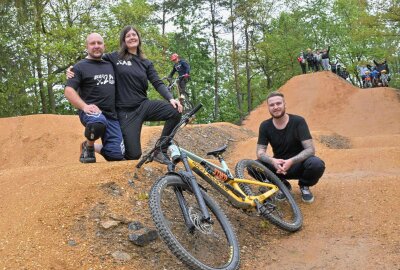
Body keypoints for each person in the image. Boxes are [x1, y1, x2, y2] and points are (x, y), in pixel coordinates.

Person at [68, 26, 183, 164]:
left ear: (139, 39)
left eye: (134, 34)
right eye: (128, 36)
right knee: (133, 155)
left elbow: (157, 82)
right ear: (123, 40)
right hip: (125, 113)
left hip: (143, 105)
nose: (132, 37)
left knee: (175, 111)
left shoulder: (146, 63)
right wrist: (72, 69)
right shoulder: (114, 57)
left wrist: (170, 98)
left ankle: (161, 149)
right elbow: (92, 59)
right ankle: (92, 146)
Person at [64, 33, 125, 163]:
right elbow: (69, 91)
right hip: (92, 113)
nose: (96, 46)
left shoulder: (111, 64)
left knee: (116, 155)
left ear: (104, 46)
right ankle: (89, 149)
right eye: (92, 43)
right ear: (87, 47)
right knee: (98, 123)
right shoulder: (79, 67)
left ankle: (88, 145)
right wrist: (84, 107)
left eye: (99, 43)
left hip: (111, 115)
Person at [255, 91, 325, 203]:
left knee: (316, 164)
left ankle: (304, 186)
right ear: (268, 107)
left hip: (299, 164)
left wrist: (291, 161)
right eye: (272, 105)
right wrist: (272, 161)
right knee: (253, 166)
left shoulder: (298, 121)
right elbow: (260, 152)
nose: (276, 107)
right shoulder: (265, 125)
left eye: (278, 103)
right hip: (278, 166)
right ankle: (282, 185)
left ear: (284, 104)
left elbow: (310, 149)